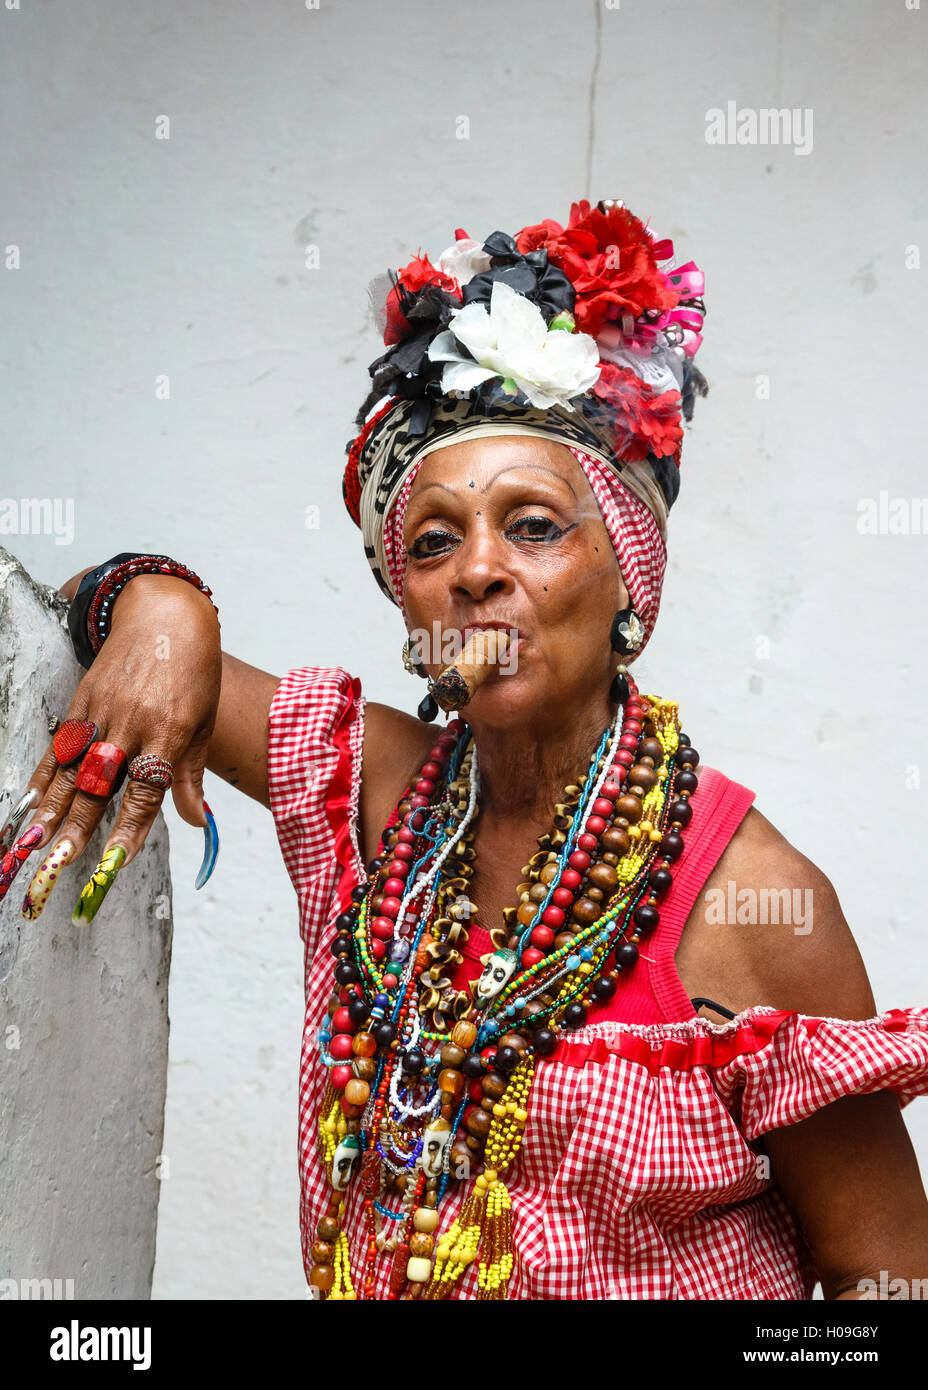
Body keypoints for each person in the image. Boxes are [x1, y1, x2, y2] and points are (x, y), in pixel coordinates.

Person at [4, 197, 928, 1301]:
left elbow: (887, 1279)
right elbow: (64, 620)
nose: (477, 570)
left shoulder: (757, 904)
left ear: (630, 577)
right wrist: (161, 608)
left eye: (534, 526)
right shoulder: (360, 788)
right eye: (434, 540)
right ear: (409, 610)